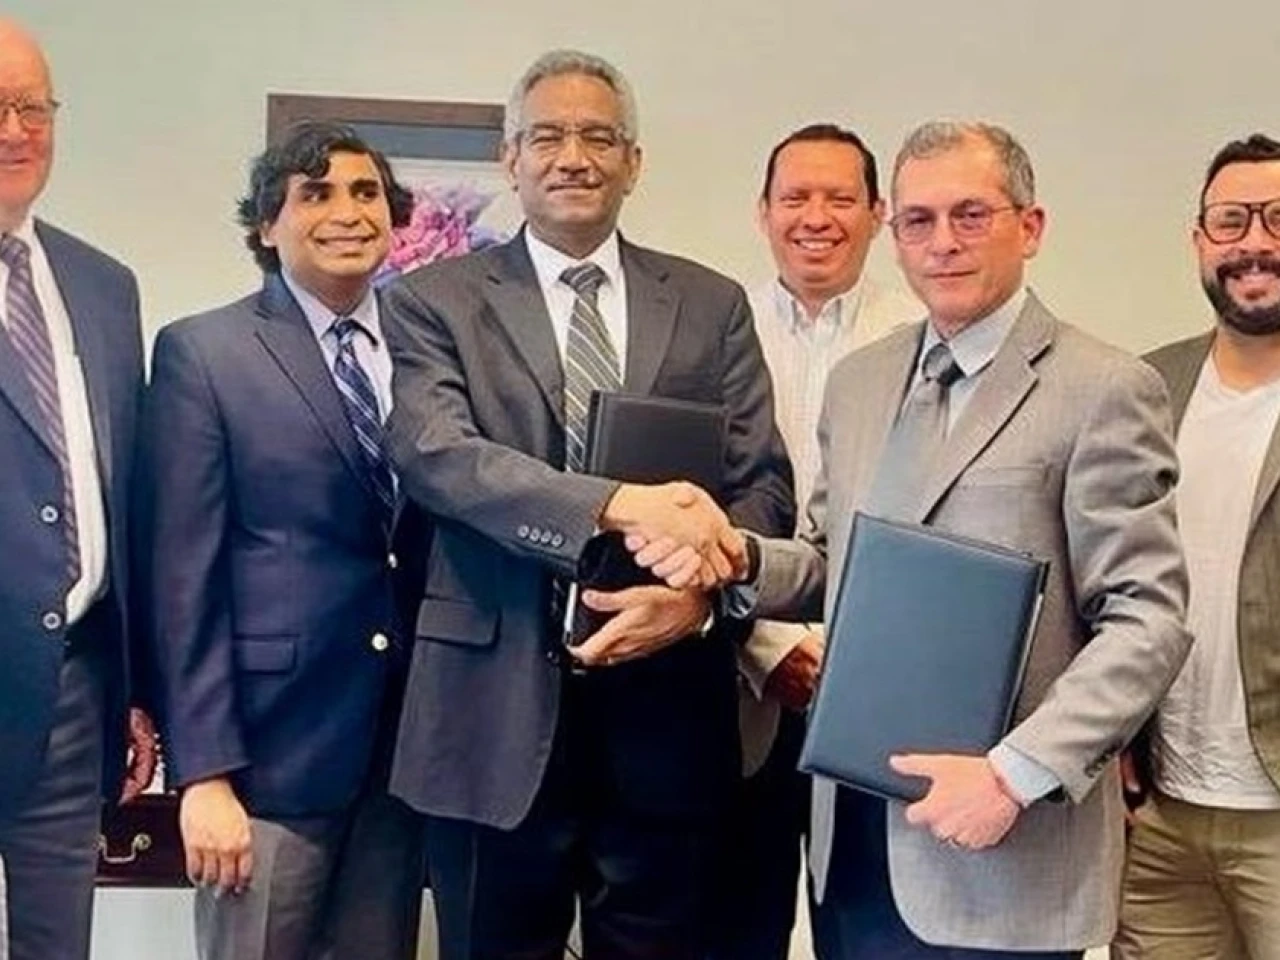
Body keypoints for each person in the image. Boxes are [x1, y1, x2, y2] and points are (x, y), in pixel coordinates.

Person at [686, 120, 1191, 958]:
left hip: (1001, 844)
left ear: (1030, 227)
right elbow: (832, 562)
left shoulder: (1104, 389)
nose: (943, 242)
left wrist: (1014, 775)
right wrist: (735, 555)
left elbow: (1148, 622)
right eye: (919, 220)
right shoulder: (860, 382)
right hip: (854, 838)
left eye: (971, 215)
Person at [382, 49, 794, 960]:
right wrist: (618, 506)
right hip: (489, 710)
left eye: (599, 137)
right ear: (510, 158)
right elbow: (437, 457)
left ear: (633, 162)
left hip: (667, 712)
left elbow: (762, 486)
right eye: (548, 137)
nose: (574, 156)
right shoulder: (432, 301)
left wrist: (697, 599)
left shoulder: (711, 304)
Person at [143, 120, 427, 960]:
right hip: (267, 759)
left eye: (366, 192)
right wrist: (202, 774)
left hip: (404, 755)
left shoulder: (429, 349)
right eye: (315, 194)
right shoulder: (205, 353)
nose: (347, 212)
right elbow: (181, 577)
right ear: (268, 224)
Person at [712, 122, 918, 960]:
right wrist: (771, 646)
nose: (817, 217)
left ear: (878, 214)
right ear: (763, 212)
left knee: (868, 929)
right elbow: (700, 511)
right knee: (736, 928)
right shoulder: (711, 332)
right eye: (795, 197)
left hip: (876, 692)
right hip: (738, 686)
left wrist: (840, 650)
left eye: (841, 198)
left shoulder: (923, 337)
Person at [0, 18, 156, 960]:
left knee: (57, 945)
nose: (15, 131)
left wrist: (134, 689)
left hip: (74, 688)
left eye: (33, 108)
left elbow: (124, 498)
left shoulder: (104, 286)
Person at [1114, 132, 1280, 960]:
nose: (1255, 242)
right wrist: (1110, 739)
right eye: (1231, 220)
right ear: (1199, 240)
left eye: (1279, 219)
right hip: (1160, 816)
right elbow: (1100, 578)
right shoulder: (1145, 387)